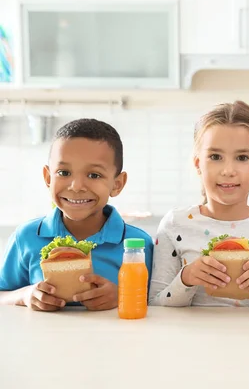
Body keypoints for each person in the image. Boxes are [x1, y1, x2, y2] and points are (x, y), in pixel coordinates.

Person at [149, 101, 249, 308]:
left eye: (242, 157)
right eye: (215, 157)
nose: (228, 170)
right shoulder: (175, 224)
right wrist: (186, 278)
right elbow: (155, 304)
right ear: (197, 164)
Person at [0, 118, 153, 311]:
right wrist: (25, 295)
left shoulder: (138, 244)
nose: (76, 186)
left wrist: (122, 296)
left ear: (117, 184)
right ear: (48, 178)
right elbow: (3, 295)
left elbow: (158, 300)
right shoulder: (27, 236)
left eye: (94, 175)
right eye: (64, 173)